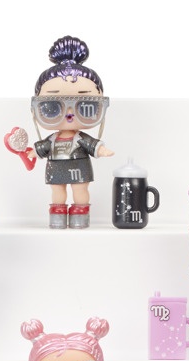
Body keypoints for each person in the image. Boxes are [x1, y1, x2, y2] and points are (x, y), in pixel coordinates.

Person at [26, 35, 113, 229]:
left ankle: (80, 214)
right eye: (52, 107)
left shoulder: (80, 138)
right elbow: (43, 147)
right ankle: (57, 213)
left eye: (85, 106)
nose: (70, 114)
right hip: (56, 167)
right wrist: (33, 152)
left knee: (80, 191)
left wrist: (101, 150)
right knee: (58, 193)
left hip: (79, 166)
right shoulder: (53, 139)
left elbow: (92, 145)